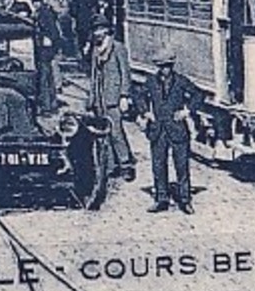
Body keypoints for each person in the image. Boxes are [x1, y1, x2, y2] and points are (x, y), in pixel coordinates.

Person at [136, 56, 205, 214]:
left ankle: (185, 200)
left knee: (182, 166)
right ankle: (162, 199)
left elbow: (199, 95)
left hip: (177, 130)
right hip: (158, 130)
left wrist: (187, 111)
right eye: (161, 66)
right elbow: (138, 95)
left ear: (172, 66)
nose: (164, 69)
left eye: (167, 66)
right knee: (158, 166)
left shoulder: (181, 81)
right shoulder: (151, 81)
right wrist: (146, 112)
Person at [86, 21, 135, 181]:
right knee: (102, 133)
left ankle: (126, 164)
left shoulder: (117, 47)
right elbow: (94, 75)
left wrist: (124, 95)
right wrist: (91, 98)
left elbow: (125, 73)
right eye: (95, 30)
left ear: (107, 31)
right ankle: (111, 165)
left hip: (113, 97)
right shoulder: (95, 49)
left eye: (99, 30)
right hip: (100, 98)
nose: (96, 33)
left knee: (116, 132)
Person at [31, 0, 61, 111]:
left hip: (45, 50)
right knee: (47, 77)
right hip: (45, 49)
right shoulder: (42, 12)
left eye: (36, 1)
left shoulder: (44, 13)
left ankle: (46, 105)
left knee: (44, 77)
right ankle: (51, 103)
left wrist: (48, 40)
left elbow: (53, 33)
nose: (35, 4)